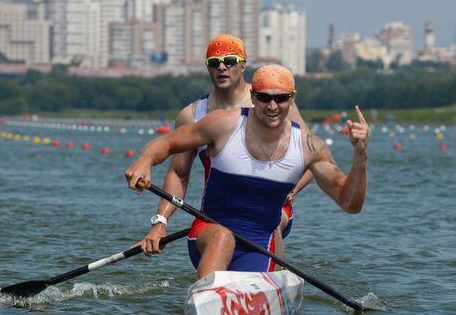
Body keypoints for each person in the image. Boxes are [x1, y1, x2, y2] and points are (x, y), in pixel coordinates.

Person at [125, 64, 369, 278]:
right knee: (223, 237)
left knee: (261, 251)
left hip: (259, 243)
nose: (272, 106)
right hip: (207, 234)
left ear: (292, 99)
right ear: (253, 96)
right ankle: (205, 305)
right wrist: (145, 159)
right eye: (264, 98)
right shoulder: (223, 124)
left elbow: (350, 203)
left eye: (281, 98)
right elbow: (167, 143)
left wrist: (360, 155)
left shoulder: (310, 147)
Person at [139, 34, 312, 261]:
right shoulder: (191, 116)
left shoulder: (272, 102)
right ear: (208, 68)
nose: (222, 68)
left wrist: (291, 190)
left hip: (273, 210)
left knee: (269, 220)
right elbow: (179, 174)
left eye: (229, 61)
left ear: (242, 65)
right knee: (220, 238)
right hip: (218, 217)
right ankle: (212, 290)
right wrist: (160, 222)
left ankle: (273, 282)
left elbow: (312, 160)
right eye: (214, 63)